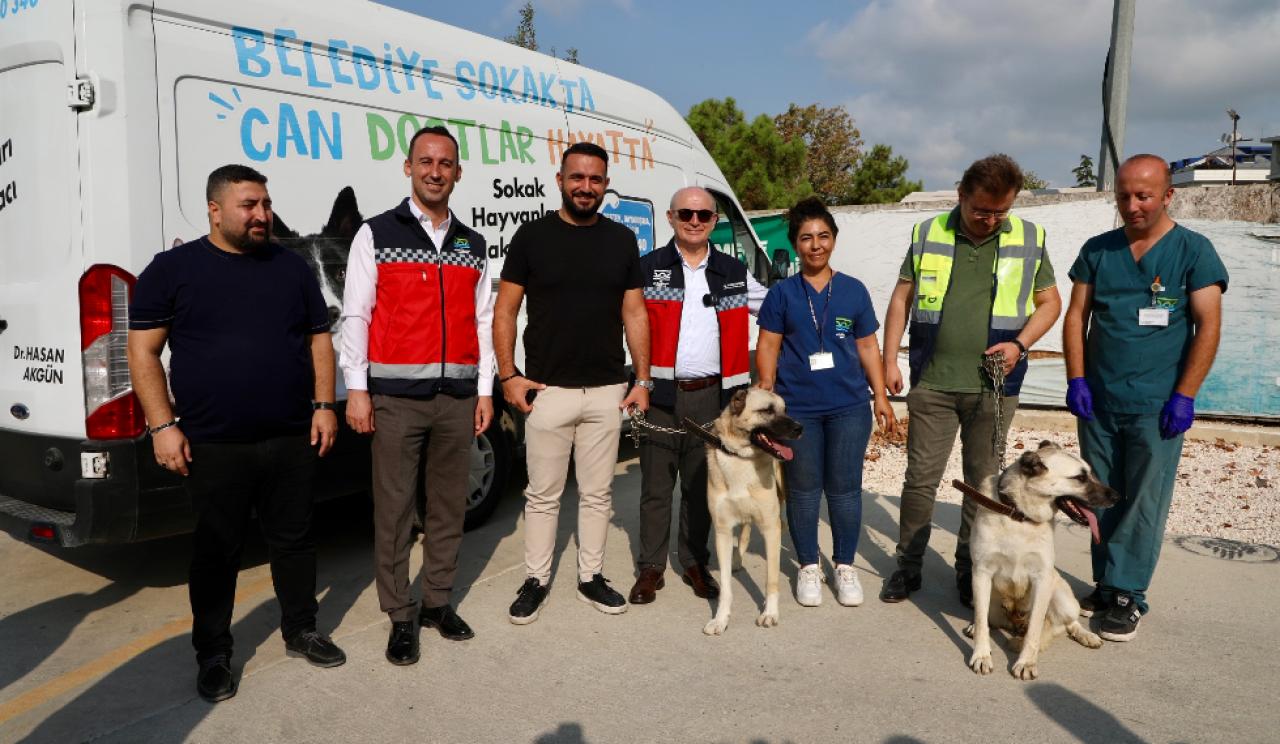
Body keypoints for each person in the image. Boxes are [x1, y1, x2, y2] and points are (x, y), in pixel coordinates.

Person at [127, 164, 345, 704]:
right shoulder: (173, 269)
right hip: (213, 442)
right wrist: (162, 425)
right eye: (250, 205)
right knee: (217, 551)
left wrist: (323, 405)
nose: (262, 215)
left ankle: (302, 629)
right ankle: (214, 654)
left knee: (294, 541)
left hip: (290, 434)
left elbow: (319, 340)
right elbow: (143, 351)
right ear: (215, 209)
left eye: (266, 204)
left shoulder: (289, 268)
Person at [339, 126, 493, 665]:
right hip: (396, 400)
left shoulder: (473, 245)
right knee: (396, 510)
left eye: (445, 163)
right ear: (408, 168)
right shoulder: (375, 233)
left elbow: (481, 320)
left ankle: (437, 602)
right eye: (425, 161)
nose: (435, 171)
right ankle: (400, 615)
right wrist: (356, 390)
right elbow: (356, 313)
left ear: (458, 172)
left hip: (456, 398)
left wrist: (484, 390)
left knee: (449, 507)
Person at [880, 154, 1061, 607]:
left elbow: (1050, 303)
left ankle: (968, 568)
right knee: (921, 479)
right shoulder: (927, 233)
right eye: (982, 210)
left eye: (1001, 211)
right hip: (933, 383)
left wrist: (1019, 344)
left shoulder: (1030, 237)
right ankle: (908, 565)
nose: (991, 220)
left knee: (982, 483)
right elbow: (901, 300)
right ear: (961, 195)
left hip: (995, 390)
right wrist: (888, 360)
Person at [1063, 153, 1226, 642]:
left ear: (1168, 195)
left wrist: (1185, 395)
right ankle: (1107, 582)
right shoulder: (1099, 250)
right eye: (1123, 196)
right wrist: (1077, 380)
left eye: (1144, 196)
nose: (1132, 206)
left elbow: (1209, 325)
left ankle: (1128, 594)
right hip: (1100, 401)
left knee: (1142, 502)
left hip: (1157, 405)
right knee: (1098, 495)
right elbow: (1076, 317)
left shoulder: (1193, 252)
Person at [495, 141, 651, 624]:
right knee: (542, 496)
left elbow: (634, 311)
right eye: (577, 178)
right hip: (547, 391)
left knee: (597, 494)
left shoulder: (622, 240)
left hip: (606, 390)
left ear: (606, 185)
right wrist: (508, 375)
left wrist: (641, 378)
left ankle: (591, 577)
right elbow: (505, 309)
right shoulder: (531, 237)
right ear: (560, 180)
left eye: (596, 179)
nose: (586, 187)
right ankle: (536, 580)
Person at [628, 187, 768, 605]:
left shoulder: (732, 270)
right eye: (686, 213)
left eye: (704, 215)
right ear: (670, 217)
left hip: (712, 398)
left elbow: (777, 307)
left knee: (698, 485)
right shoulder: (648, 267)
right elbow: (624, 320)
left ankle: (694, 561)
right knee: (655, 487)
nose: (694, 220)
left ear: (713, 221)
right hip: (659, 397)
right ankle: (651, 568)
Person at [754, 196, 897, 607]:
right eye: (806, 238)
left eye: (823, 236)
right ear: (795, 244)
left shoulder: (853, 290)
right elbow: (768, 345)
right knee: (802, 490)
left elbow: (868, 347)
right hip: (798, 409)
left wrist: (880, 399)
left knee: (845, 490)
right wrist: (767, 392)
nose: (815, 245)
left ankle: (845, 566)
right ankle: (807, 567)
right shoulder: (782, 294)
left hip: (849, 407)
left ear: (834, 239)